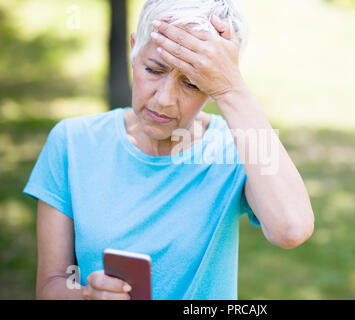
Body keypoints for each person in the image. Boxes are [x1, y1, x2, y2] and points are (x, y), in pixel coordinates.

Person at [23, 0, 314, 300]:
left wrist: (232, 89)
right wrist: (87, 296)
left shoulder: (235, 148)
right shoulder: (73, 142)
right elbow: (51, 285)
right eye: (153, 69)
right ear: (134, 50)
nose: (164, 99)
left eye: (191, 83)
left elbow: (291, 228)